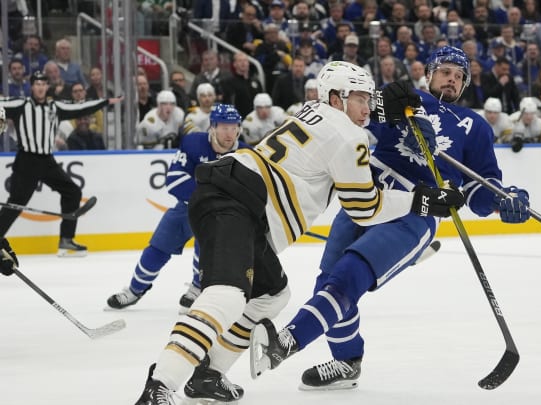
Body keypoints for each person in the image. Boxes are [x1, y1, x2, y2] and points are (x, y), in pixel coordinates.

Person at [134, 61, 463, 404]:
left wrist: (388, 107)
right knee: (228, 295)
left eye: (370, 99)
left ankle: (208, 375)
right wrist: (422, 200)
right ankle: (160, 385)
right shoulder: (350, 137)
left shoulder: (312, 109)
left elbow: (351, 110)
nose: (367, 108)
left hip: (234, 195)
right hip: (239, 203)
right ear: (337, 98)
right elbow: (365, 207)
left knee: (272, 295)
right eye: (361, 99)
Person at [249, 46, 532, 391]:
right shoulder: (403, 97)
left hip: (416, 211)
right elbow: (363, 113)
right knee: (327, 282)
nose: (452, 80)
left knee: (347, 275)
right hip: (367, 198)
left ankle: (286, 342)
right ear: (428, 74)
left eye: (459, 77)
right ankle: (347, 361)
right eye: (445, 72)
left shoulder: (474, 127)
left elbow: (479, 190)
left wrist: (507, 201)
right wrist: (398, 112)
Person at [107, 104, 243, 313]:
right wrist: (211, 196)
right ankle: (135, 290)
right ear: (213, 127)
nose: (229, 133)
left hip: (220, 216)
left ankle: (198, 288)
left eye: (234, 127)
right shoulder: (193, 143)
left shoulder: (245, 155)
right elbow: (173, 181)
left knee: (205, 246)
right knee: (157, 248)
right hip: (187, 209)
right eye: (224, 127)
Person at [0, 72, 122, 257]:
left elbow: (81, 108)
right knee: (15, 204)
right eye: (37, 83)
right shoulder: (21, 105)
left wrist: (105, 102)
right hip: (27, 161)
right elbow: (2, 105)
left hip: (46, 160)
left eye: (43, 83)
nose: (40, 87)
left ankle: (66, 240)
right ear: (31, 87)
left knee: (72, 192)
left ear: (47, 87)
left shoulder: (54, 107)